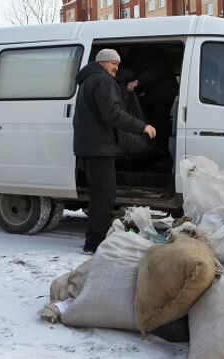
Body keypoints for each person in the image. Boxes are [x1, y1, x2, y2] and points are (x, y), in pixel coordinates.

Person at [73, 48, 157, 253]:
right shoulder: (102, 81)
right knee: (104, 197)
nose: (117, 69)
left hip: (92, 146)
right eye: (114, 64)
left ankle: (94, 240)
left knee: (100, 195)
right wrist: (141, 126)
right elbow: (112, 114)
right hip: (99, 148)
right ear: (103, 62)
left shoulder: (89, 80)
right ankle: (94, 244)